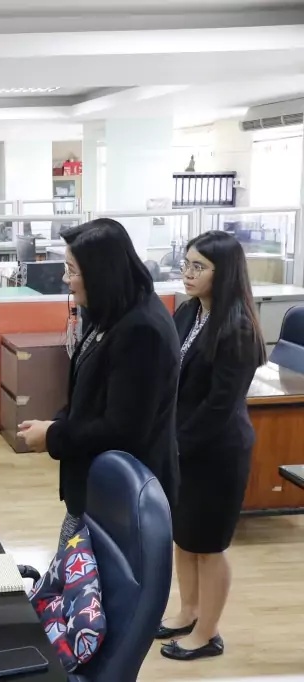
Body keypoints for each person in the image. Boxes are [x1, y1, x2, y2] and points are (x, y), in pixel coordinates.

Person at [17, 218, 180, 551]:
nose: (66, 279)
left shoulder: (141, 330)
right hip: (95, 490)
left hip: (123, 498)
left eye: (72, 271)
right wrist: (57, 423)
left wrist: (53, 436)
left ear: (100, 272)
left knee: (91, 580)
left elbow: (123, 429)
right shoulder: (110, 312)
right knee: (71, 573)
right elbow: (88, 395)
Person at [157, 231, 266, 661]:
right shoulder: (189, 311)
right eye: (185, 264)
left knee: (209, 545)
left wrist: (176, 446)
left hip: (217, 451)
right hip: (183, 444)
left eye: (198, 267)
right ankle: (188, 611)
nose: (187, 273)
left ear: (225, 273)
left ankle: (208, 633)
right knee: (184, 538)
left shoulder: (237, 328)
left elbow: (219, 407)